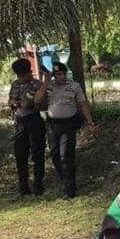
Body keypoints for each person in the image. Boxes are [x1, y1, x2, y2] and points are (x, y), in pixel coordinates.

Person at [35, 61, 97, 198]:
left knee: (65, 156)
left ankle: (70, 190)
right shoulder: (48, 86)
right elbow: (38, 100)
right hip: (52, 125)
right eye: (57, 74)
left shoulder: (74, 86)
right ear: (53, 75)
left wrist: (90, 122)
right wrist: (45, 82)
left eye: (63, 73)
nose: (61, 77)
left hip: (68, 124)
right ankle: (67, 182)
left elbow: (83, 104)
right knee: (55, 155)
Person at [8, 57, 45, 196]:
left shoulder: (37, 84)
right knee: (20, 154)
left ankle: (38, 184)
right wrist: (14, 103)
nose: (22, 78)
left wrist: (28, 103)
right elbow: (11, 100)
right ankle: (23, 186)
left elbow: (40, 103)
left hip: (34, 120)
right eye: (19, 75)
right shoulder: (15, 84)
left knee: (37, 153)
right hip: (19, 121)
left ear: (29, 72)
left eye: (24, 74)